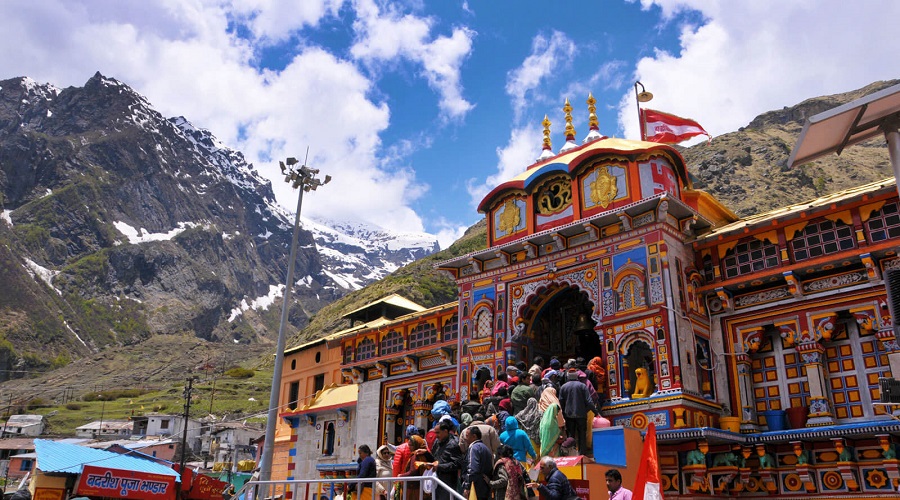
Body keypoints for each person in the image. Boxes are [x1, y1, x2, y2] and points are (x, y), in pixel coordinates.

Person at [558, 368, 598, 457]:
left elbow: (561, 402)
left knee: (571, 434)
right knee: (582, 434)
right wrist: (595, 412)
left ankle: (571, 453)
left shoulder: (563, 387)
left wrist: (564, 413)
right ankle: (582, 453)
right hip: (581, 414)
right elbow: (589, 401)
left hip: (568, 415)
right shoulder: (582, 386)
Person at [428, 420, 464, 500]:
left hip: (448, 482)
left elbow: (457, 464)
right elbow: (433, 457)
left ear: (445, 431)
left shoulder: (453, 444)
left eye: (438, 433)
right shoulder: (437, 442)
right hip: (436, 479)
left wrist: (440, 467)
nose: (436, 436)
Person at [463, 426, 494, 500]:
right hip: (485, 487)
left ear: (474, 436)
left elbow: (473, 468)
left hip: (475, 487)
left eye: (467, 436)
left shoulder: (474, 448)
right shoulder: (485, 448)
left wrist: (467, 486)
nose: (465, 438)